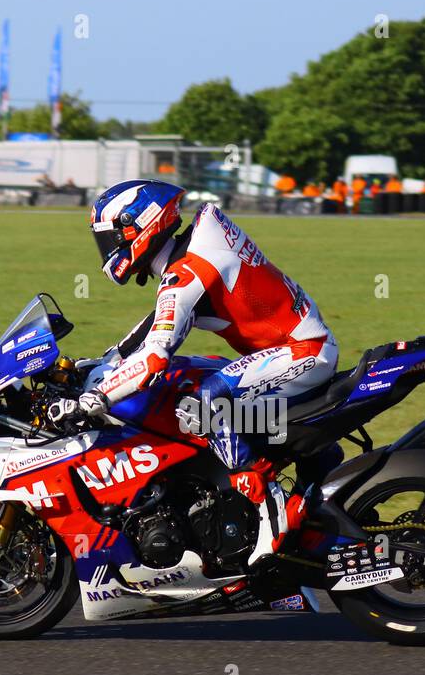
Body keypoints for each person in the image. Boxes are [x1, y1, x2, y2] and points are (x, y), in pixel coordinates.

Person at [51, 179, 341, 511]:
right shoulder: (191, 252)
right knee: (196, 376)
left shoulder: (188, 272)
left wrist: (92, 400)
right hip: (294, 348)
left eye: (110, 238)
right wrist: (98, 363)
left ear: (137, 225)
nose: (108, 249)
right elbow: (149, 331)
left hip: (305, 352)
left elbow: (153, 357)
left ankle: (264, 505)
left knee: (198, 405)